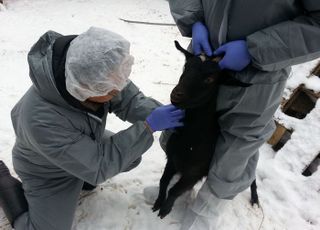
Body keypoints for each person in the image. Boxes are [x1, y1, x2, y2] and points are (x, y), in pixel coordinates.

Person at [0, 27, 185, 230]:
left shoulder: (97, 70)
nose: (118, 90)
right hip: (48, 171)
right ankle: (3, 181)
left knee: (131, 155)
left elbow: (129, 100)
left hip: (80, 143)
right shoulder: (41, 120)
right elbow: (99, 166)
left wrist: (170, 117)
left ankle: (82, 177)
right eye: (111, 89)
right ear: (84, 89)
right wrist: (148, 127)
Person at [164, 0, 320, 229]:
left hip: (258, 75)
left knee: (238, 144)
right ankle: (177, 183)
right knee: (186, 123)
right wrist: (193, 19)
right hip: (202, 60)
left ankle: (208, 206)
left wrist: (258, 48)